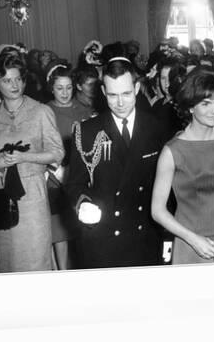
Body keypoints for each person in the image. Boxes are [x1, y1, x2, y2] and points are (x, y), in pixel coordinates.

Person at [65, 57, 164, 269]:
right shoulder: (87, 131)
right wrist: (83, 204)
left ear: (137, 88)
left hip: (145, 238)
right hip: (103, 241)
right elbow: (75, 185)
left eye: (126, 94)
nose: (120, 103)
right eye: (112, 95)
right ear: (103, 92)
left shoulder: (156, 127)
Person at [151, 67, 214, 264]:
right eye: (206, 103)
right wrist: (193, 239)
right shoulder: (172, 151)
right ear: (191, 107)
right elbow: (157, 210)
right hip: (190, 246)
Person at [0, 52, 65, 273]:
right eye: (6, 80)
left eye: (18, 79)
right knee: (7, 261)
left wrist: (25, 157)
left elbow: (57, 153)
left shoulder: (41, 112)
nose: (14, 85)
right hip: (3, 195)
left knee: (36, 260)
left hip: (33, 195)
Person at [45, 61, 94, 269]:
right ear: (51, 88)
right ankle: (62, 272)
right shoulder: (45, 111)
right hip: (54, 177)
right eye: (59, 88)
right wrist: (54, 169)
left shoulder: (84, 110)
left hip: (79, 175)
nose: (64, 93)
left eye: (68, 88)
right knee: (59, 230)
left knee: (80, 224)